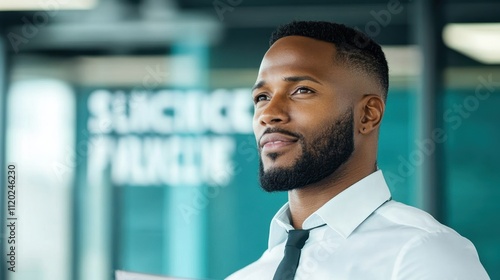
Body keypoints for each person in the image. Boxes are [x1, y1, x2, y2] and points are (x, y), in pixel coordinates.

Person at [226, 21, 489, 280]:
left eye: (301, 90)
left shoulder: (425, 254)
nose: (269, 114)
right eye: (262, 97)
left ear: (367, 115)